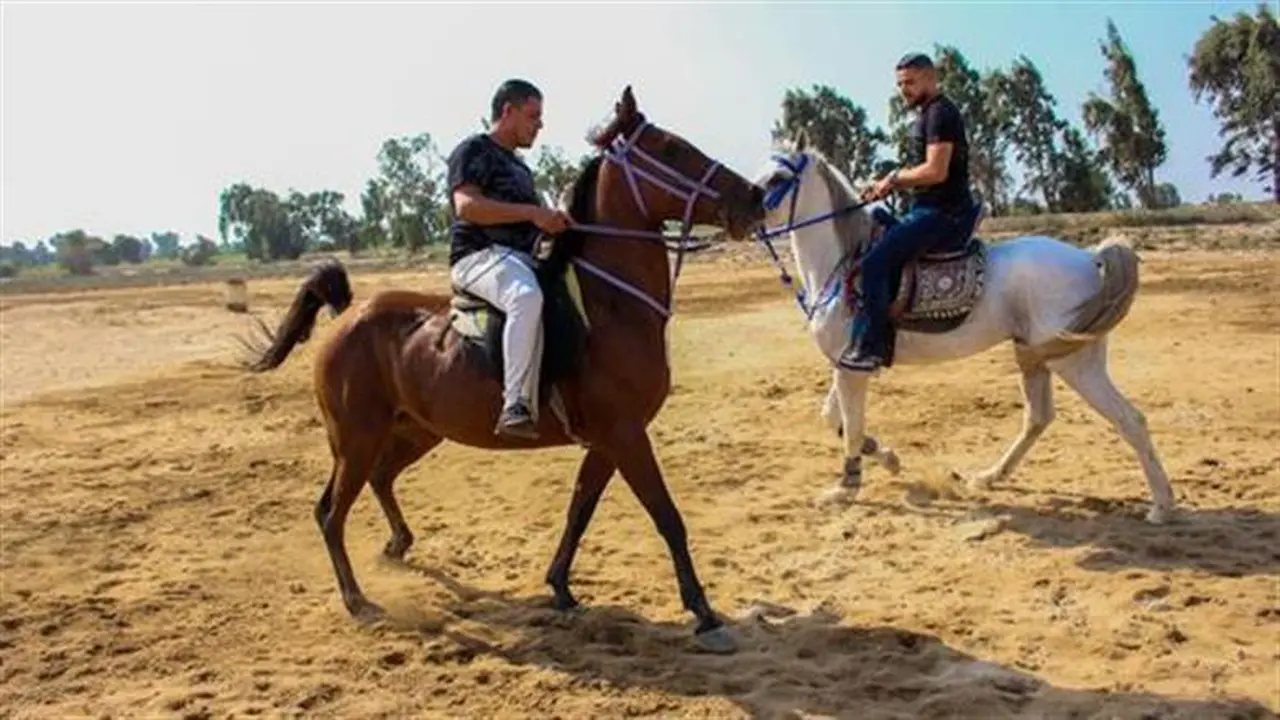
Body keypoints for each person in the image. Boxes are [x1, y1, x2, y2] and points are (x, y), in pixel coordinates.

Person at [446, 78, 574, 439]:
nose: (540, 125)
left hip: (521, 257)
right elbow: (467, 207)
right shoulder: (473, 150)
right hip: (478, 256)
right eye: (533, 115)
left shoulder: (521, 169)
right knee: (525, 296)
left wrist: (556, 223)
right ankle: (516, 403)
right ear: (508, 111)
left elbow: (531, 222)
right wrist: (533, 213)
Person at [838, 52, 977, 372]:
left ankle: (873, 347)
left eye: (911, 82)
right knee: (875, 223)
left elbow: (937, 171)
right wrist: (882, 187)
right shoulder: (926, 114)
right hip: (925, 209)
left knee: (874, 264)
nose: (904, 90)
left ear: (931, 77)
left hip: (945, 213)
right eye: (901, 84)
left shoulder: (941, 114)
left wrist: (895, 179)